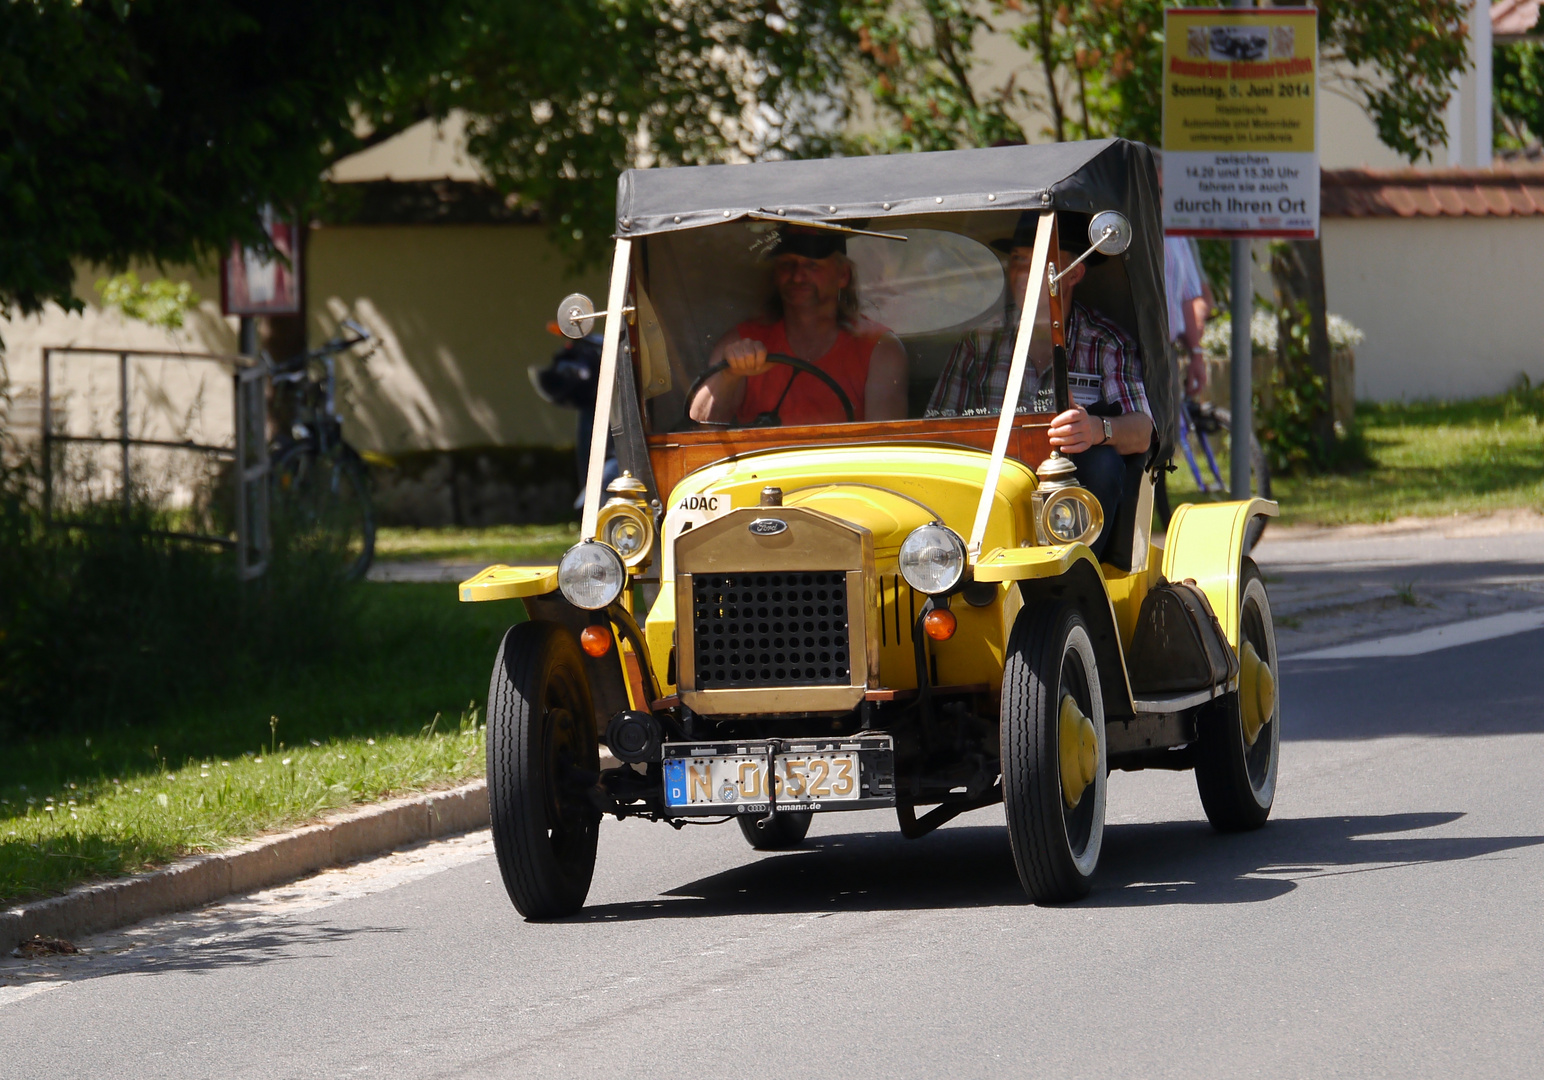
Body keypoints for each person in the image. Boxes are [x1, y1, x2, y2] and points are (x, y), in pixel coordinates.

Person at [927, 211, 1153, 559]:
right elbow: (935, 431)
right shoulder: (978, 342)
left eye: (1039, 263)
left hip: (1067, 507)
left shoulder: (1107, 343)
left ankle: (1079, 578)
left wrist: (1095, 429)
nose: (1024, 275)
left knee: (1103, 464)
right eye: (1018, 261)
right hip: (986, 494)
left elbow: (1143, 431)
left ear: (1074, 273)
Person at [688, 227, 908, 426]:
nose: (797, 276)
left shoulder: (879, 349)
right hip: (761, 470)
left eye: (811, 265)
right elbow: (701, 431)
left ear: (843, 275)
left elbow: (885, 444)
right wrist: (729, 375)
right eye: (787, 264)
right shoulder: (740, 342)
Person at [1165, 235, 1212, 397]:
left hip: (1165, 353)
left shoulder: (1175, 236)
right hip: (1122, 351)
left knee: (1168, 420)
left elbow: (1189, 299)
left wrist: (1196, 354)